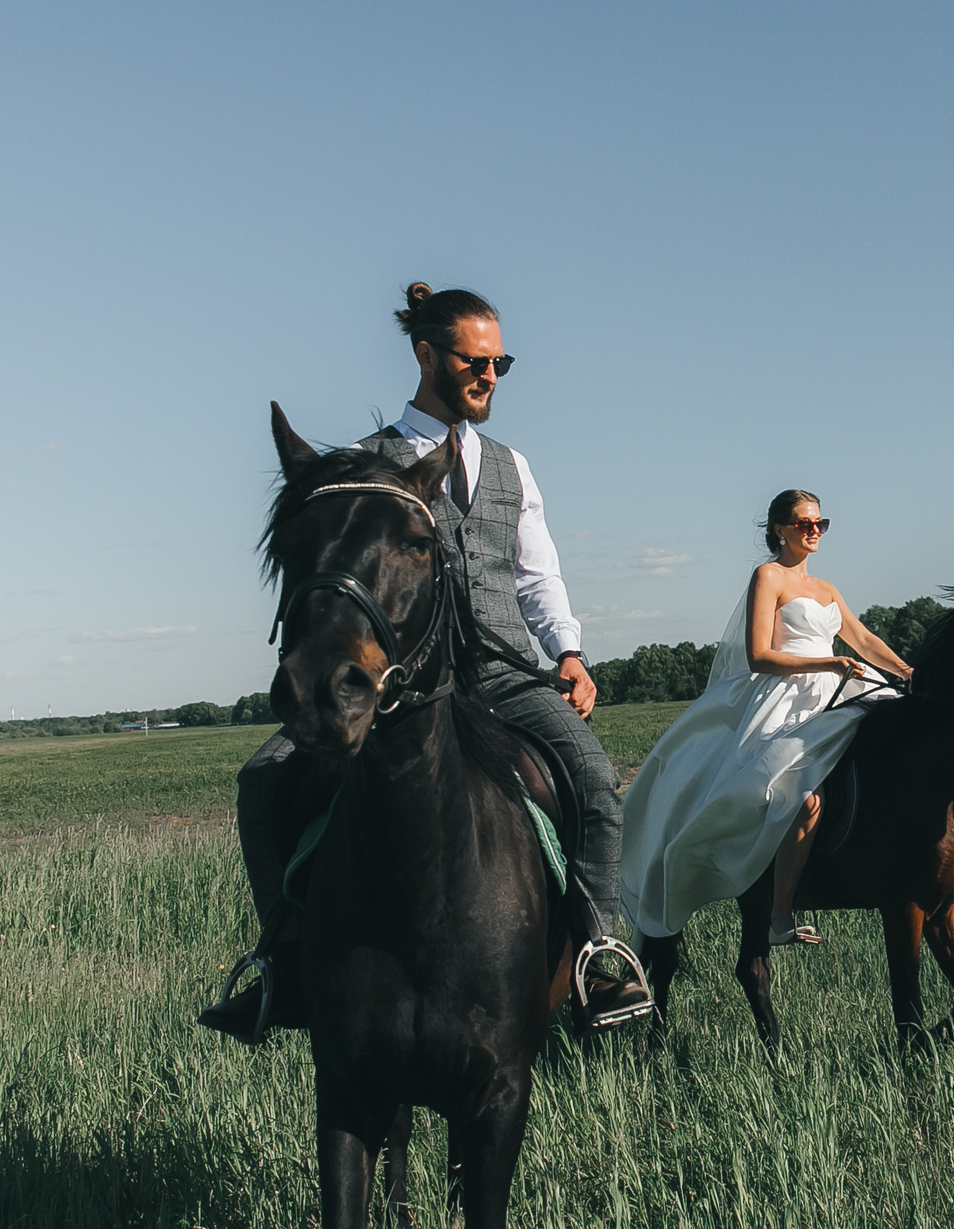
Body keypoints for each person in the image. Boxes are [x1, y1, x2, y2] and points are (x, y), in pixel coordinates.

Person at [202, 282, 649, 1038]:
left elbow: (537, 573)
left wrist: (567, 650)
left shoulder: (513, 467)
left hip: (505, 672)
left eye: (500, 362)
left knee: (596, 780)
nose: (490, 376)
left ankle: (598, 956)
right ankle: (282, 961)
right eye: (475, 361)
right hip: (402, 683)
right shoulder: (365, 466)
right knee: (264, 778)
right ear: (424, 354)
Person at [618, 489, 916, 947]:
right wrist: (828, 663)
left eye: (820, 522)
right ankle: (779, 915)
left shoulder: (827, 588)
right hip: (785, 695)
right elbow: (759, 656)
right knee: (800, 798)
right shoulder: (768, 576)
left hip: (837, 687)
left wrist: (908, 672)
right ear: (780, 529)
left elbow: (863, 638)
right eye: (803, 523)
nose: (814, 530)